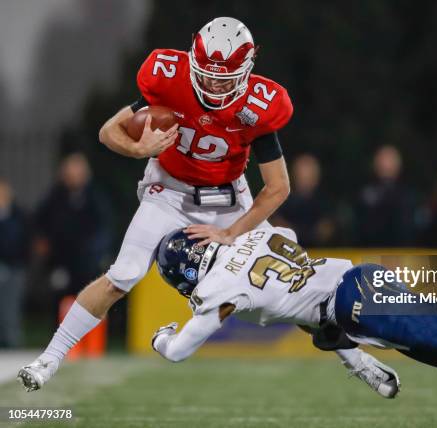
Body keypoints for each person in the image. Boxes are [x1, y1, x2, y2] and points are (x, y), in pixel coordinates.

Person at [18, 16, 367, 392]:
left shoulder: (261, 104)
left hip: (229, 198)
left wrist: (231, 232)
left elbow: (278, 188)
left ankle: (359, 361)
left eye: (225, 77)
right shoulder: (168, 76)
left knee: (290, 277)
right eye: (208, 74)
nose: (215, 84)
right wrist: (138, 148)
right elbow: (108, 132)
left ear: (247, 69)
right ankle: (48, 360)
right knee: (123, 275)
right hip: (168, 191)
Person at [146, 226, 437, 396]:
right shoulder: (257, 233)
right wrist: (363, 364)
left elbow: (178, 351)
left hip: (356, 303)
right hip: (357, 290)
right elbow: (317, 319)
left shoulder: (216, 289)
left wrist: (160, 337)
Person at [34, 152, 113, 296]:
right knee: (61, 303)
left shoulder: (95, 199)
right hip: (60, 262)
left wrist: (96, 255)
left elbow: (103, 230)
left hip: (87, 264)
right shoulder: (54, 197)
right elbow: (40, 221)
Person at [357, 146, 418, 246]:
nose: (385, 165)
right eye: (382, 161)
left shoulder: (407, 194)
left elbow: (406, 229)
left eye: (389, 161)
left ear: (398, 166)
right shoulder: (365, 193)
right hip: (369, 251)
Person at [273, 154, 335, 246]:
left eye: (309, 172)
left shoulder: (325, 201)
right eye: (302, 171)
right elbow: (276, 223)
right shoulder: (282, 199)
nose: (305, 176)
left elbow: (328, 228)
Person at [0, 179, 29, 348]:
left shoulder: (18, 215)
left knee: (11, 309)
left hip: (13, 267)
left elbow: (18, 241)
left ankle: (12, 343)